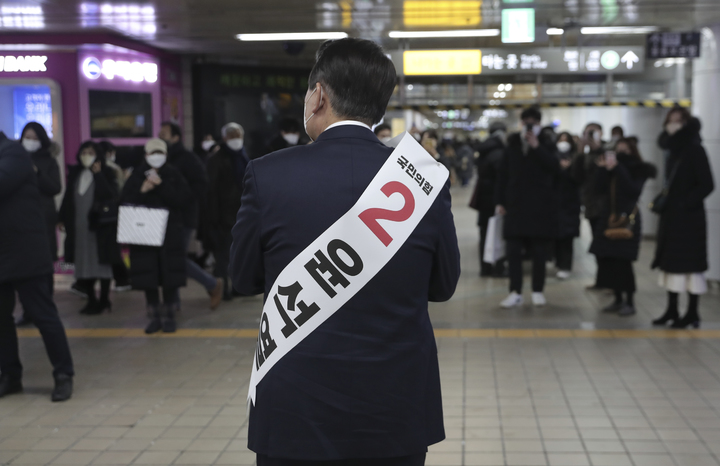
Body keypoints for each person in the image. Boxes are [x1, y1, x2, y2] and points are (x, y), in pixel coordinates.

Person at [230, 38, 460, 466]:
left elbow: (241, 278)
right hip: (396, 405)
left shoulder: (268, 174)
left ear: (318, 95)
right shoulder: (422, 182)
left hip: (295, 409)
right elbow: (443, 286)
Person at [0, 131, 74, 402]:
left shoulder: (13, 153)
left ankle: (63, 374)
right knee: (1, 320)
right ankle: (10, 375)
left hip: (25, 252)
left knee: (43, 315)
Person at [122, 139, 193, 334]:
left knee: (169, 275)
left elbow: (183, 199)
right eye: (152, 152)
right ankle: (154, 317)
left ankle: (170, 316)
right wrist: (143, 190)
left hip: (169, 232)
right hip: (144, 233)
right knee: (148, 275)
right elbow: (126, 201)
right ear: (145, 155)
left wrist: (161, 186)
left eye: (159, 152)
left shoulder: (173, 174)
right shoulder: (136, 175)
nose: (156, 156)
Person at [651, 109, 715, 329]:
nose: (673, 125)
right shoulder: (672, 150)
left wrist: (685, 202)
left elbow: (708, 184)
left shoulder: (694, 149)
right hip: (672, 217)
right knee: (671, 264)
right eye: (670, 121)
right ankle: (672, 309)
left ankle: (692, 312)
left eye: (678, 121)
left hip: (689, 219)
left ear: (686, 124)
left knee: (690, 267)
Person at [496, 108, 560, 308]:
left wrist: (537, 146)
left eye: (533, 123)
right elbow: (502, 174)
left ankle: (538, 290)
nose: (529, 126)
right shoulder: (513, 143)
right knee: (513, 251)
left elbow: (555, 168)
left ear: (539, 124)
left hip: (540, 208)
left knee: (539, 252)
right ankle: (515, 291)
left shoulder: (548, 144)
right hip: (515, 206)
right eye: (526, 122)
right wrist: (500, 201)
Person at [158, 121, 223, 309]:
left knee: (175, 258)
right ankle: (173, 301)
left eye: (164, 134)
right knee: (169, 258)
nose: (160, 137)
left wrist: (181, 199)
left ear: (176, 137)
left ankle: (211, 283)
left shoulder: (187, 158)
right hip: (163, 218)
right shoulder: (162, 158)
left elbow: (201, 185)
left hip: (183, 218)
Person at [590, 139, 656, 316]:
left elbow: (633, 190)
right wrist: (603, 169)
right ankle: (617, 299)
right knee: (608, 260)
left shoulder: (640, 169)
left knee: (623, 262)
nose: (621, 153)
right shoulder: (610, 170)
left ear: (633, 151)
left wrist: (618, 168)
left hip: (629, 219)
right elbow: (598, 189)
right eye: (618, 150)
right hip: (609, 217)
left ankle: (630, 302)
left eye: (625, 150)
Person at [58, 141, 120, 315]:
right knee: (84, 263)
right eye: (84, 151)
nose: (86, 155)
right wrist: (61, 217)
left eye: (90, 152)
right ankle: (91, 299)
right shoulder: (76, 174)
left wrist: (98, 175)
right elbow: (68, 198)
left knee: (102, 264)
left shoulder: (107, 173)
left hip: (100, 228)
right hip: (79, 228)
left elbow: (110, 195)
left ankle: (104, 299)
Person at [15, 122, 62, 327]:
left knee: (44, 266)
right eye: (27, 137)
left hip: (43, 220)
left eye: (35, 138)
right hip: (19, 221)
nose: (30, 141)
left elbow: (55, 187)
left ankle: (45, 309)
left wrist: (36, 172)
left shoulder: (49, 161)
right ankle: (27, 311)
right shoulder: (13, 158)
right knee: (22, 266)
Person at [207, 123, 250, 300]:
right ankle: (222, 289)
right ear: (224, 138)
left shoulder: (244, 156)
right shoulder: (216, 160)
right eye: (232, 135)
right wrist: (213, 218)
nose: (236, 139)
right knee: (223, 256)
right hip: (223, 216)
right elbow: (211, 192)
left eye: (238, 135)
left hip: (242, 214)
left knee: (240, 253)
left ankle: (237, 287)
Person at [470, 121, 506, 277]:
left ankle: (485, 269)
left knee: (484, 234)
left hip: (483, 199)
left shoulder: (484, 150)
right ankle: (498, 268)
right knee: (498, 234)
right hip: (495, 200)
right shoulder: (499, 152)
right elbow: (501, 178)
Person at [575, 122, 607, 289]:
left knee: (607, 244)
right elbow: (577, 176)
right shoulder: (585, 155)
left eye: (594, 133)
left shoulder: (607, 151)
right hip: (591, 205)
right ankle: (601, 280)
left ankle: (609, 281)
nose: (591, 136)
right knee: (597, 243)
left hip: (606, 206)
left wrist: (598, 148)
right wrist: (580, 152)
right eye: (588, 133)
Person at [98, 140, 131, 292]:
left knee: (112, 249)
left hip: (108, 214)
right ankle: (123, 279)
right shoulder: (114, 169)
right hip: (114, 213)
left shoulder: (108, 169)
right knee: (113, 249)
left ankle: (123, 279)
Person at [555, 132, 582, 280]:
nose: (563, 143)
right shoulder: (552, 157)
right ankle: (558, 262)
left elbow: (579, 179)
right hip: (555, 203)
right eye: (561, 139)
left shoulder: (576, 158)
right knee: (557, 235)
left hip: (570, 203)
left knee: (568, 236)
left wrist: (568, 169)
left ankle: (566, 265)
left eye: (566, 140)